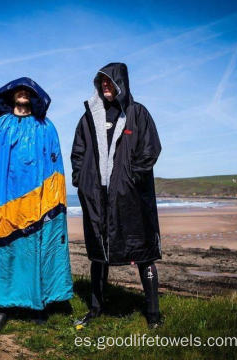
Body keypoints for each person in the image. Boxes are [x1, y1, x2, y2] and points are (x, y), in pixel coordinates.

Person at [0, 77, 73, 331]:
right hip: (4, 201)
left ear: (34, 97)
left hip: (38, 203)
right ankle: (1, 308)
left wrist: (53, 202)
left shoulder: (46, 127)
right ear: (10, 96)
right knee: (4, 251)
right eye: (18, 90)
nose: (23, 93)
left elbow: (55, 168)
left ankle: (38, 304)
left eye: (28, 91)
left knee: (37, 250)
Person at [71, 63, 162, 329]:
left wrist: (130, 179)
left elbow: (151, 149)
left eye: (110, 82)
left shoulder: (138, 113)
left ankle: (153, 315)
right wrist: (82, 180)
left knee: (143, 251)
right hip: (97, 196)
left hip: (131, 198)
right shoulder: (89, 117)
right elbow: (78, 152)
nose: (106, 86)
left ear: (121, 83)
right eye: (102, 82)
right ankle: (96, 309)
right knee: (99, 253)